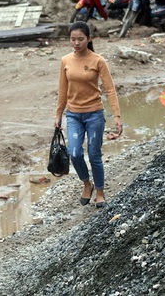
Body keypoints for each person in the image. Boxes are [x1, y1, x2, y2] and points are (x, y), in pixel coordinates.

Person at [54, 21, 122, 209]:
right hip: (73, 115)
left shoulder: (98, 60)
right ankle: (87, 183)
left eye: (80, 39)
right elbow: (62, 90)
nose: (76, 43)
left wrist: (116, 115)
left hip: (94, 114)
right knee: (74, 153)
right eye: (73, 39)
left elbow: (110, 89)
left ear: (89, 39)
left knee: (94, 155)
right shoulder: (65, 61)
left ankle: (100, 191)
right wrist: (58, 114)